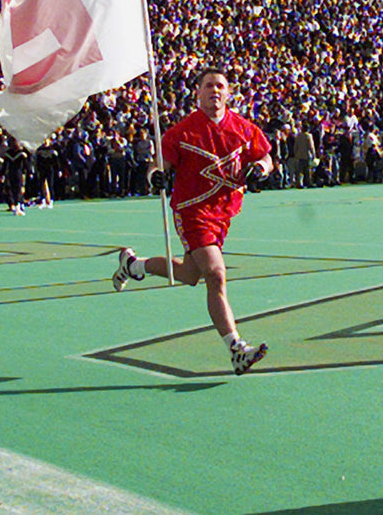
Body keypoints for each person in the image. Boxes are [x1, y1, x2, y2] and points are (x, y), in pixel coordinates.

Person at [111, 67, 274, 374]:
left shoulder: (242, 127)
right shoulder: (182, 132)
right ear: (197, 92)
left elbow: (265, 156)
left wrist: (261, 170)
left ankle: (133, 264)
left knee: (189, 274)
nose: (215, 91)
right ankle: (236, 347)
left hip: (223, 214)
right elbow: (160, 163)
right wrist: (155, 175)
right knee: (215, 274)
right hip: (192, 211)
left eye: (220, 86)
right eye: (208, 85)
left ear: (228, 93)